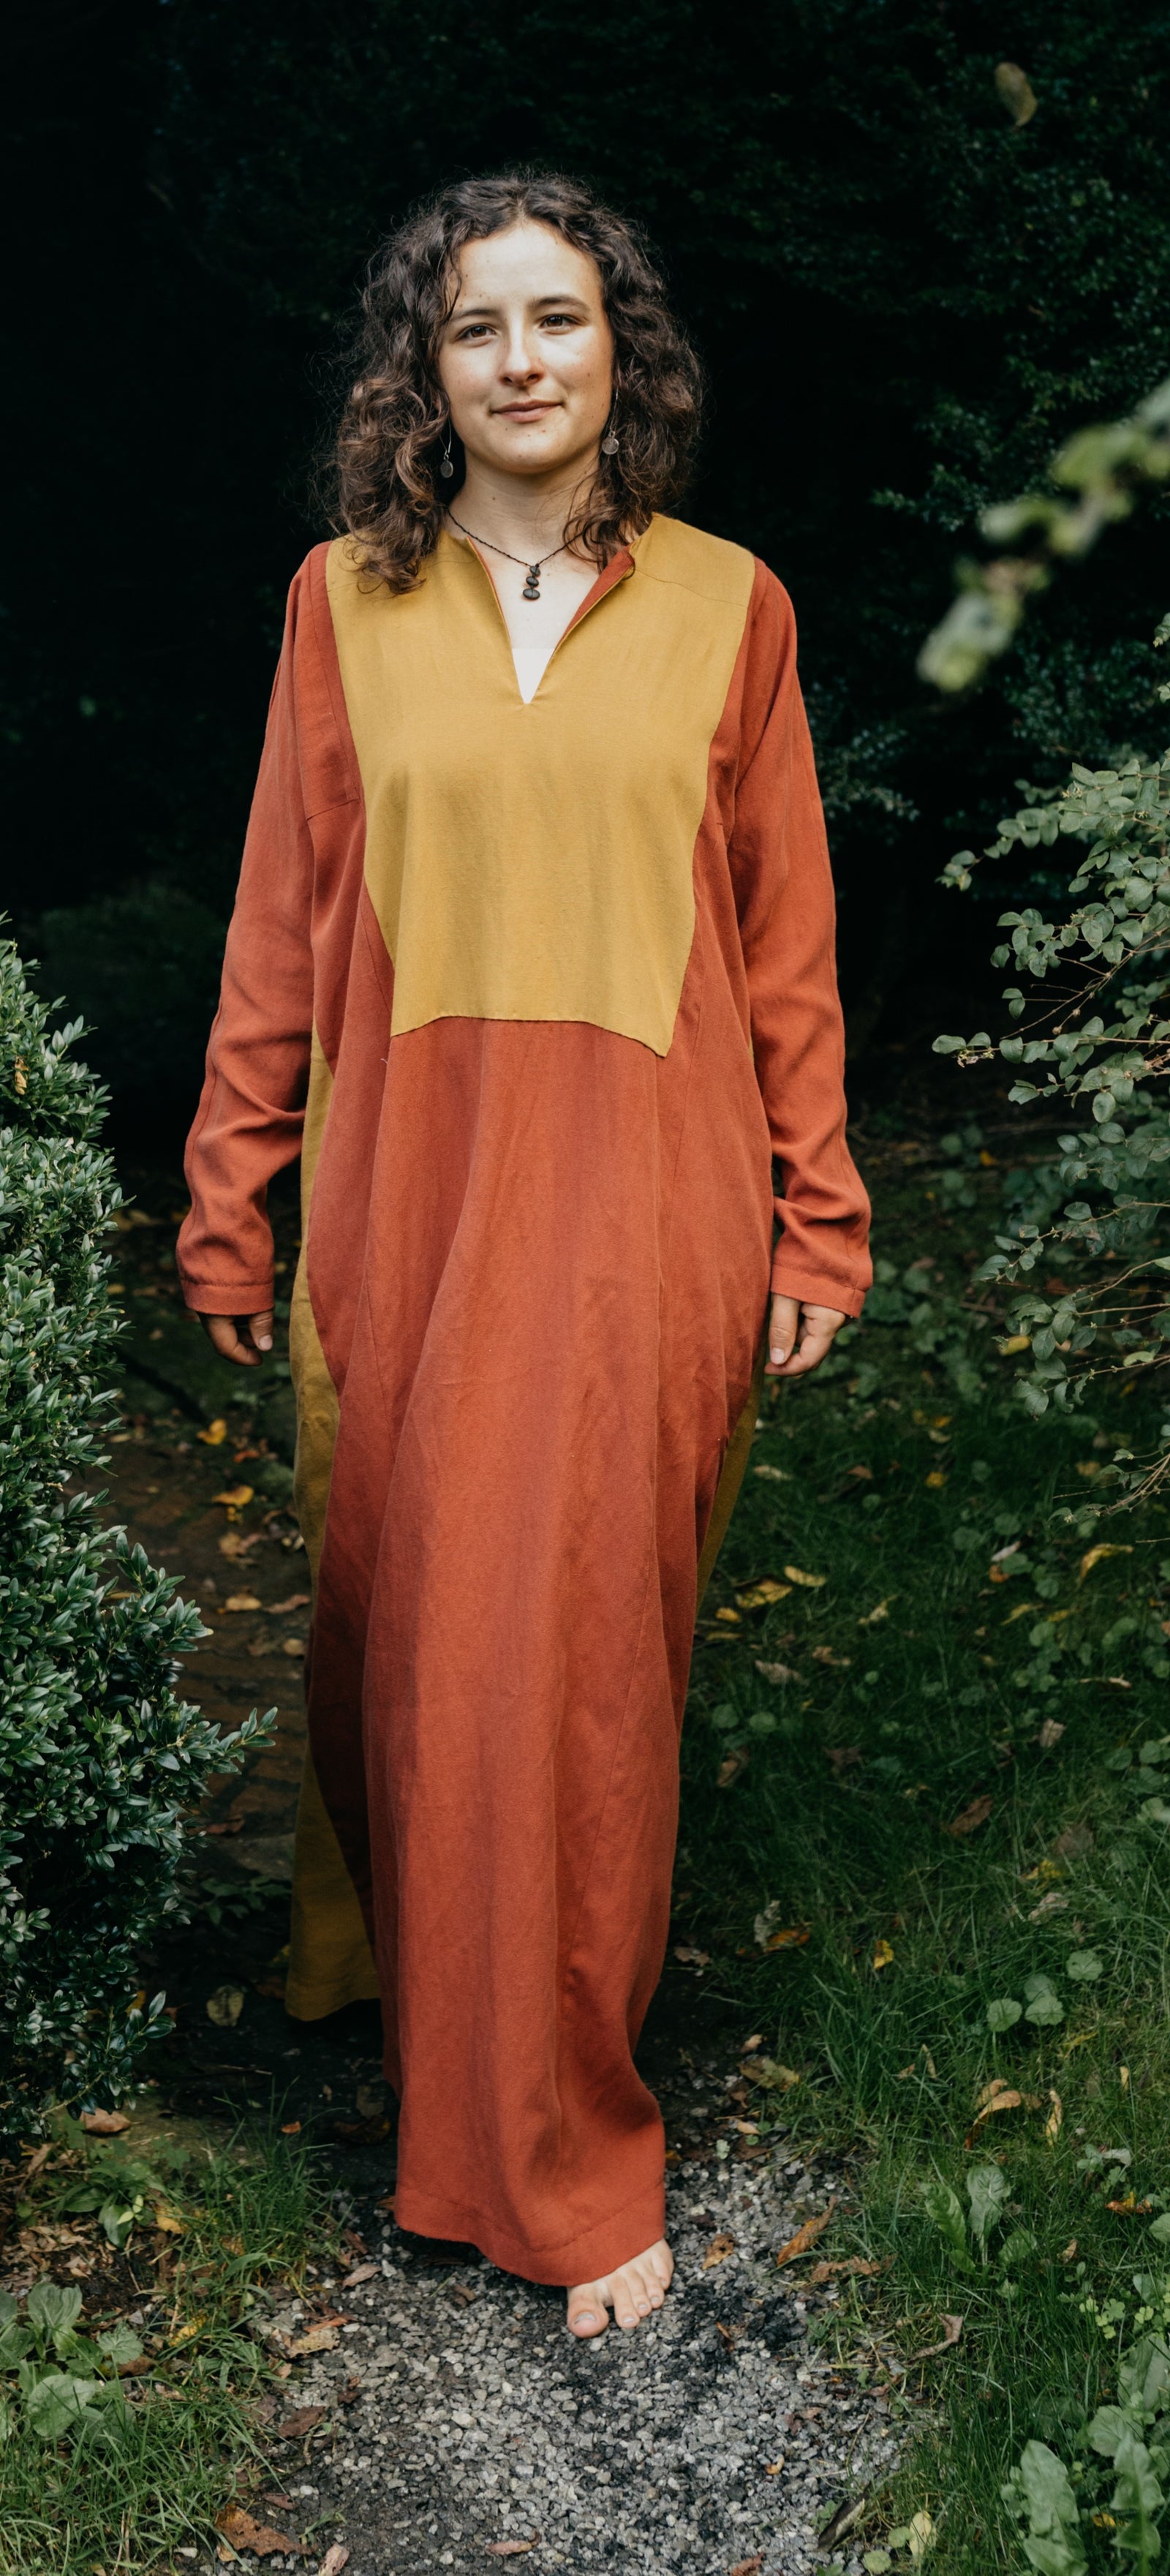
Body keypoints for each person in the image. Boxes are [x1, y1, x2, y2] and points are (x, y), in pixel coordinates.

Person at [177, 170, 871, 2340]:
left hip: (650, 1206)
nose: (522, 360)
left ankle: (559, 2154)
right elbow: (284, 915)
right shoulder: (338, 606)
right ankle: (417, 1998)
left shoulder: (731, 606)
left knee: (569, 1665)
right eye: (476, 327)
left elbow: (786, 940)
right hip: (413, 1200)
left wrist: (819, 1207)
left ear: (618, 349)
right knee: (411, 1626)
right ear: (425, 369)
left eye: (559, 318)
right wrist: (232, 1180)